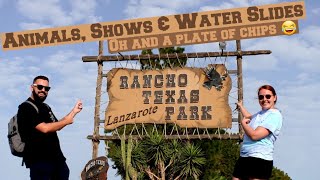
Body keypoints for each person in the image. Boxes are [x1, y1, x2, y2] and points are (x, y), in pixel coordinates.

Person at [17, 75, 83, 180]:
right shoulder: (26, 107)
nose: (43, 90)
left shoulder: (45, 107)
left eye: (46, 88)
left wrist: (74, 112)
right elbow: (44, 128)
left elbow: (58, 125)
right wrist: (66, 121)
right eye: (39, 87)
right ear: (32, 87)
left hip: (58, 161)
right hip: (39, 162)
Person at [232, 85, 283, 180]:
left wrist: (244, 124)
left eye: (268, 96)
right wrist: (241, 107)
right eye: (261, 97)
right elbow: (249, 117)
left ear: (275, 97)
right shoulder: (260, 114)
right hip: (244, 157)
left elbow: (255, 135)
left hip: (259, 159)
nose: (264, 99)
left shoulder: (275, 115)